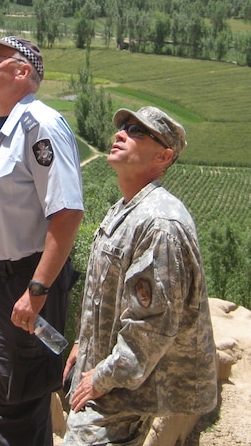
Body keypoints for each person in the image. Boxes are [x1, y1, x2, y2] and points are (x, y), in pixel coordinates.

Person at [62, 106, 218, 446]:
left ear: (163, 156)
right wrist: (81, 344)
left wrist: (101, 378)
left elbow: (152, 327)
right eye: (123, 127)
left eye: (136, 131)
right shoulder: (125, 210)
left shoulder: (160, 223)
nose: (121, 133)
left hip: (124, 393)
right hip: (112, 381)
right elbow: (104, 295)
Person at [0, 34, 84, 446]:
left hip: (29, 283)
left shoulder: (39, 125)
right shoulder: (2, 130)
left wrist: (36, 291)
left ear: (22, 71)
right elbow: (1, 206)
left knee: (15, 401)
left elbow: (67, 213)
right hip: (4, 283)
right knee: (14, 399)